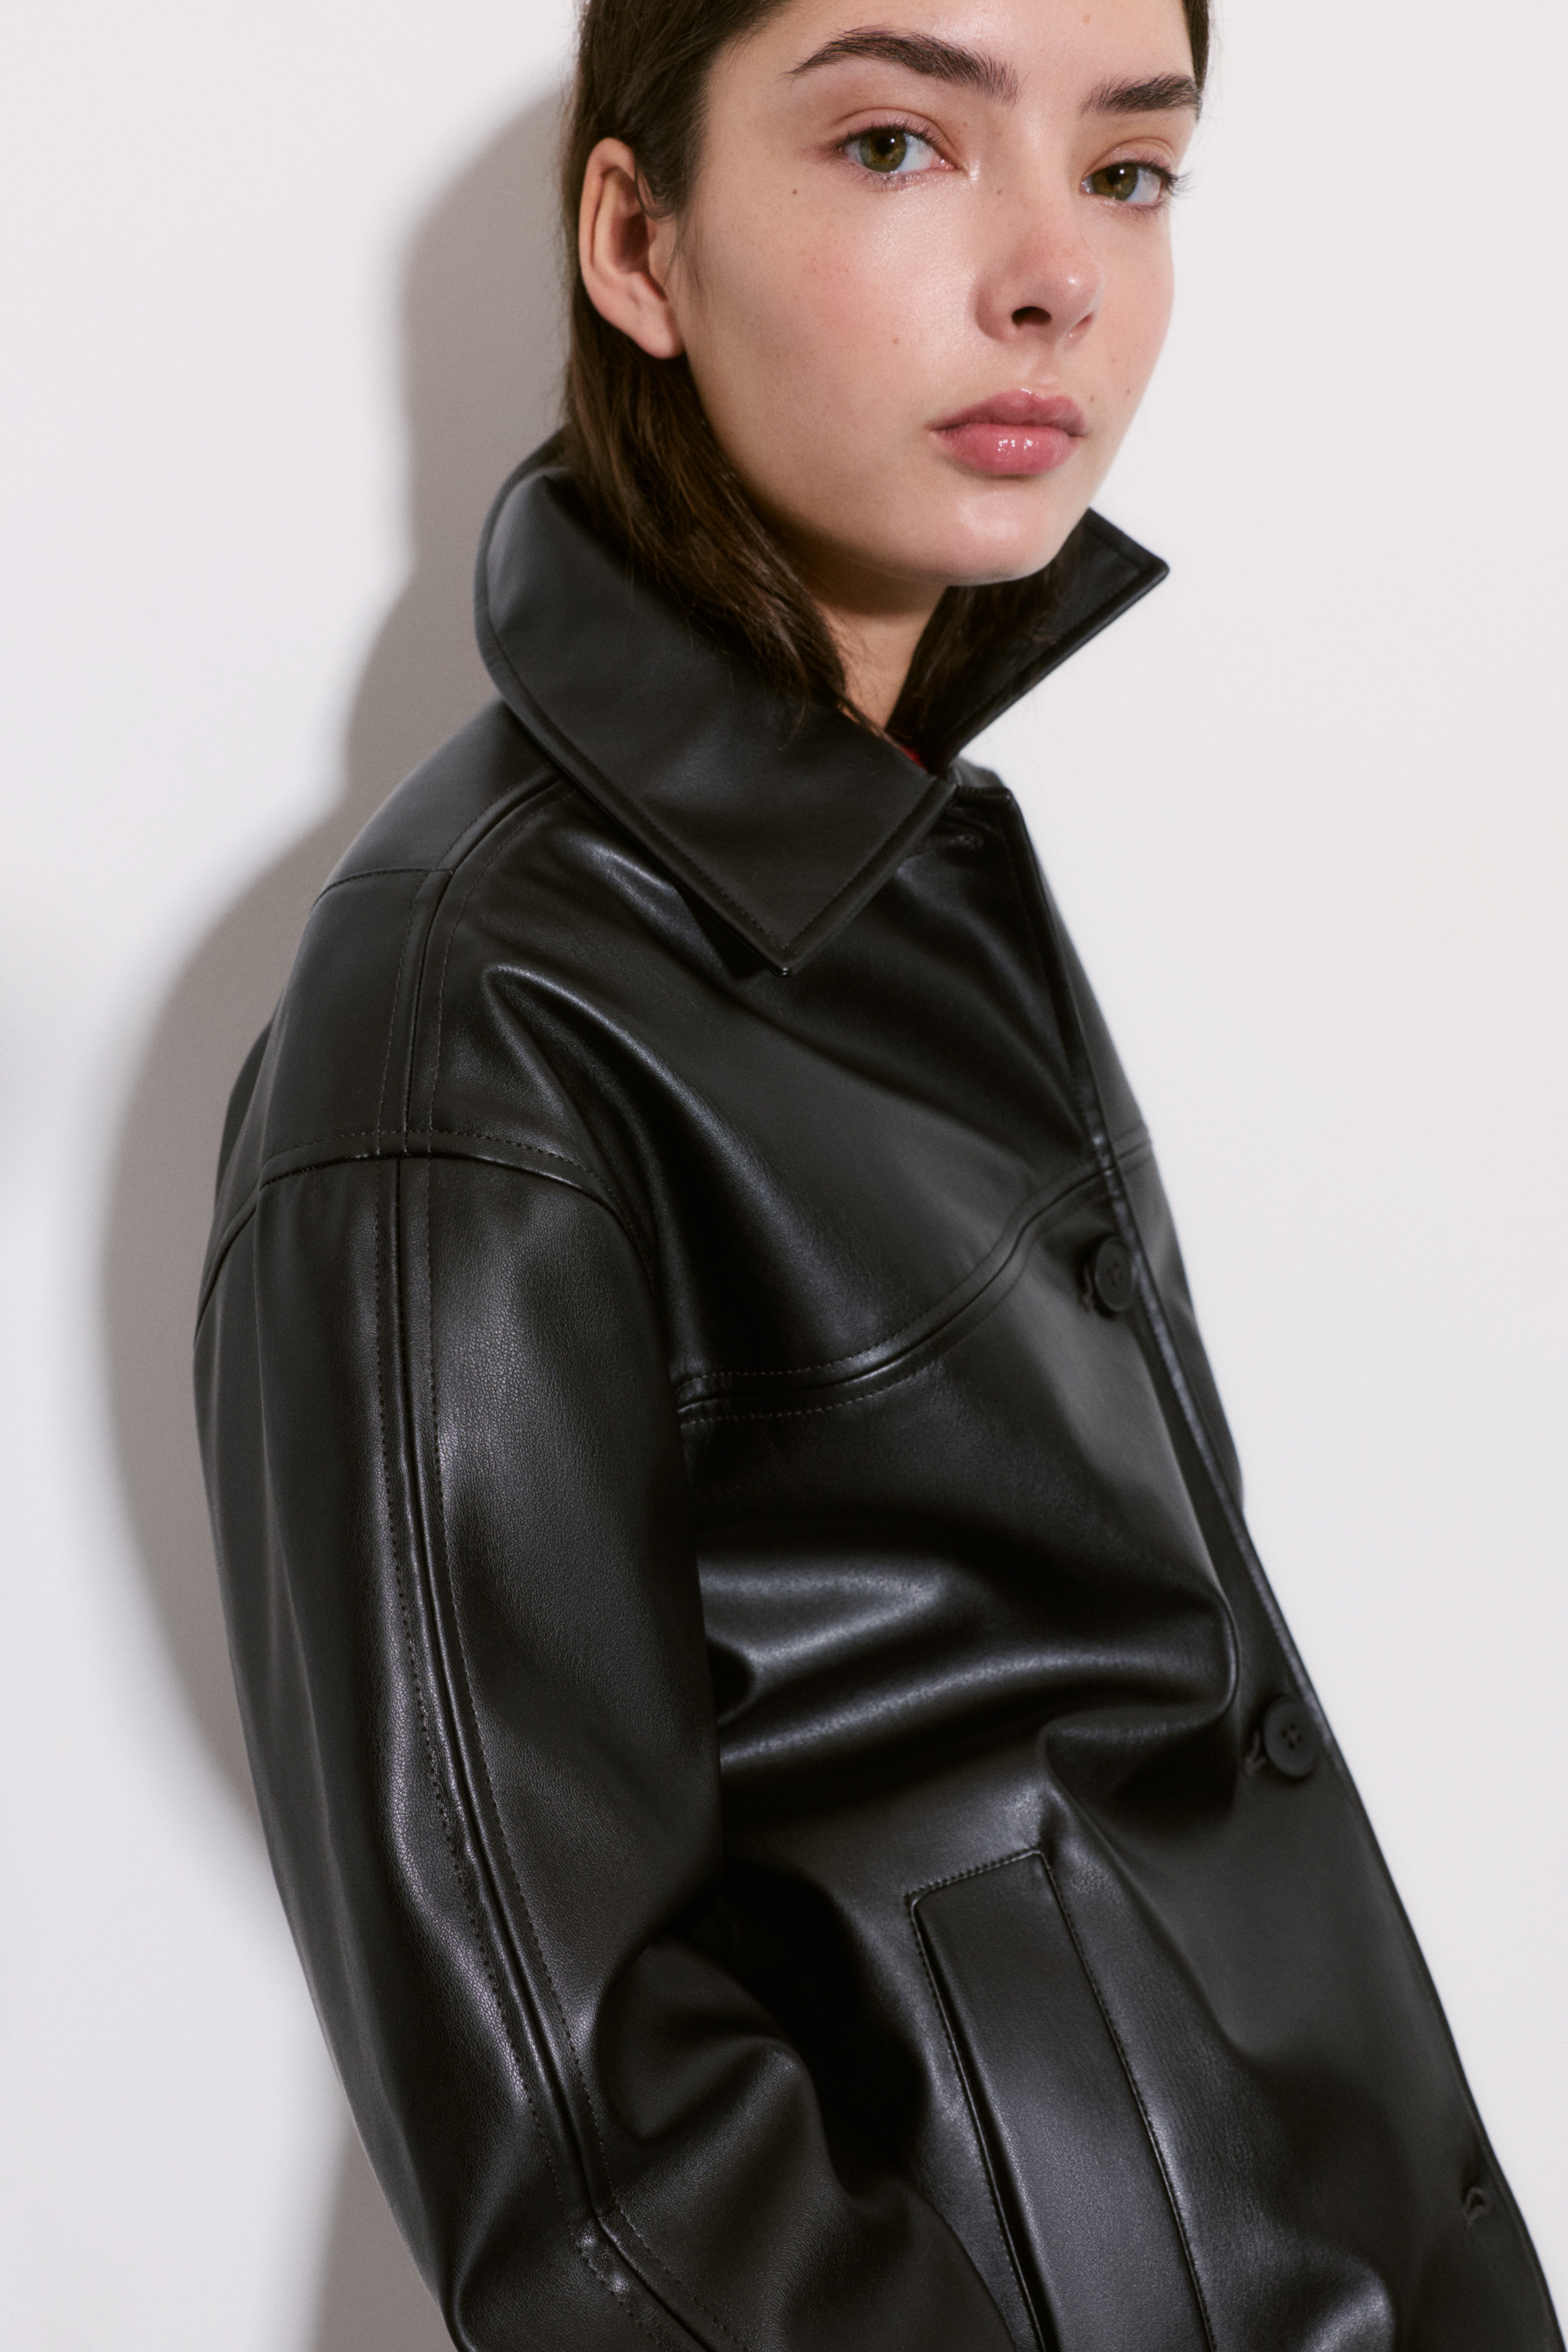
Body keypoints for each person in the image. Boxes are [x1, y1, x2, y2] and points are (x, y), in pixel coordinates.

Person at [194, 0, 1562, 2344]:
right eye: (901, 143)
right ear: (638, 238)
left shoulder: (902, 862)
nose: (1055, 277)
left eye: (1129, 172)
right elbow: (598, 2183)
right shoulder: (474, 1025)